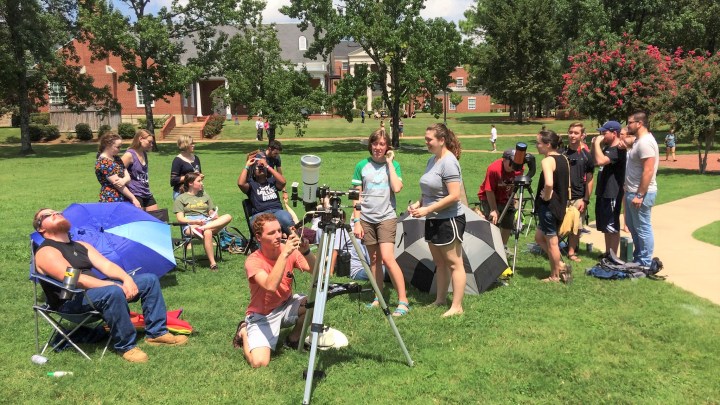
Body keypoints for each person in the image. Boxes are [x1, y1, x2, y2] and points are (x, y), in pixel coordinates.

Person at [32, 208, 188, 363]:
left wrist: (126, 279)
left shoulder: (81, 245)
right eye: (47, 215)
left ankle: (157, 333)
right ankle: (126, 346)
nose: (55, 214)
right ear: (41, 228)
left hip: (93, 293)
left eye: (57, 212)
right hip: (71, 301)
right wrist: (111, 284)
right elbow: (74, 279)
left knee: (149, 280)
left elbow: (106, 265)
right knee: (112, 291)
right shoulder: (46, 251)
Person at [232, 213, 316, 368]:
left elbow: (319, 272)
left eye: (279, 230)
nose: (278, 235)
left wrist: (306, 252)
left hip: (285, 305)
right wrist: (284, 255)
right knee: (259, 363)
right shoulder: (253, 261)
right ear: (258, 237)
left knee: (314, 302)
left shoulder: (288, 250)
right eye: (271, 233)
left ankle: (293, 339)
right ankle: (244, 330)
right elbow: (270, 286)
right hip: (261, 316)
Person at [408, 123, 465, 317]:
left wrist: (428, 209)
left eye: (429, 139)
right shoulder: (433, 160)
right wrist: (419, 204)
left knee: (454, 263)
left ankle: (457, 307)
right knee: (440, 263)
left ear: (442, 140)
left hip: (448, 220)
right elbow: (430, 190)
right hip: (432, 217)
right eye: (425, 139)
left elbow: (454, 195)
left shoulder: (449, 162)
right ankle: (440, 300)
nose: (426, 142)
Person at [351, 129, 409, 316]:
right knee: (374, 260)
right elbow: (356, 196)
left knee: (388, 258)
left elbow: (397, 188)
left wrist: (390, 163)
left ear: (387, 147)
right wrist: (357, 221)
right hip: (366, 218)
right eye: (375, 144)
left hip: (386, 217)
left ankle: (403, 301)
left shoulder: (394, 165)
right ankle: (379, 297)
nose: (378, 148)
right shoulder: (361, 166)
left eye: (382, 144)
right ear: (370, 145)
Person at [534, 130, 571, 283]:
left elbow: (549, 183)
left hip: (549, 207)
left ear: (548, 144)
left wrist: (547, 195)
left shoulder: (547, 161)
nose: (536, 146)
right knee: (539, 238)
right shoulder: (564, 158)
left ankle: (555, 276)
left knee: (552, 243)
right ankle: (561, 265)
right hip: (560, 205)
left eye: (538, 143)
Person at [174, 172, 232, 271]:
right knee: (208, 232)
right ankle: (213, 264)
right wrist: (194, 222)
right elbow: (180, 218)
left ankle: (203, 228)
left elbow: (210, 211)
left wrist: (213, 215)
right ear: (190, 183)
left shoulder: (205, 195)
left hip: (206, 222)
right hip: (190, 224)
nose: (202, 183)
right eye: (199, 181)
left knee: (228, 216)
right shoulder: (180, 198)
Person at [625, 112, 659, 266]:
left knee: (643, 228)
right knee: (633, 227)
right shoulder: (639, 140)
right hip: (632, 192)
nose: (627, 125)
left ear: (639, 123)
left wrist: (640, 194)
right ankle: (638, 257)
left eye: (630, 122)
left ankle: (645, 262)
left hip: (641, 194)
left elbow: (648, 170)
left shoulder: (645, 142)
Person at [592, 120, 626, 256]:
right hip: (603, 190)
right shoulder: (607, 148)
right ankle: (607, 253)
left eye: (604, 133)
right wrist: (595, 146)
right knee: (606, 225)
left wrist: (596, 143)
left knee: (612, 226)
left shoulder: (617, 149)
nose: (602, 135)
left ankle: (613, 255)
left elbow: (601, 161)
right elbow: (595, 162)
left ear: (614, 133)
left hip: (612, 191)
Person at [237, 153, 294, 234]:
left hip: (277, 211)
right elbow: (241, 184)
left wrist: (267, 166)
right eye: (258, 168)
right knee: (263, 226)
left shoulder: (272, 181)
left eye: (262, 167)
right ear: (253, 171)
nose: (261, 169)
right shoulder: (251, 184)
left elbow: (283, 182)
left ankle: (296, 242)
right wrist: (247, 166)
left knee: (286, 220)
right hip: (260, 214)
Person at [477, 149, 523, 246]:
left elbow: (515, 184)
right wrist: (493, 209)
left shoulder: (519, 168)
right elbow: (489, 190)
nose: (514, 165)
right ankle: (490, 247)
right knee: (493, 223)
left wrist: (512, 196)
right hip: (489, 197)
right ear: (504, 160)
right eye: (512, 162)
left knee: (508, 223)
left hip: (506, 198)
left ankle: (503, 248)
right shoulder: (494, 169)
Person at [563, 122, 595, 262]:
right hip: (562, 196)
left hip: (578, 196)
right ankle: (556, 248)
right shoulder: (561, 153)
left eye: (576, 133)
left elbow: (589, 179)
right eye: (570, 132)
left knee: (577, 226)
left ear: (582, 135)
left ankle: (571, 252)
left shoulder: (587, 156)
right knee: (560, 224)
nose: (572, 135)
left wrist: (586, 199)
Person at [95, 132, 141, 208]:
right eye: (117, 147)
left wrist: (123, 181)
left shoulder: (116, 158)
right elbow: (118, 186)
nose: (120, 149)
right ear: (108, 146)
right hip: (111, 199)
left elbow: (128, 177)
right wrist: (133, 199)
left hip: (124, 196)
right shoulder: (103, 162)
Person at [121, 129, 158, 211]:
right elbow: (117, 171)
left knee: (156, 218)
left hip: (146, 193)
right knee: (140, 222)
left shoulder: (144, 153)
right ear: (141, 139)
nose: (151, 145)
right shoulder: (129, 155)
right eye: (149, 142)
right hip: (135, 194)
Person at [170, 135, 201, 200]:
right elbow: (173, 180)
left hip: (196, 191)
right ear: (185, 145)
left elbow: (199, 173)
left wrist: (200, 176)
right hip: (182, 192)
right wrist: (190, 177)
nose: (193, 145)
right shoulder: (177, 160)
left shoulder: (196, 158)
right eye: (191, 144)